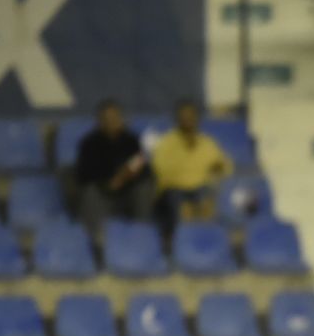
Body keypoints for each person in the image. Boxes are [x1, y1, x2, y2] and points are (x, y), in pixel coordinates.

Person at [151, 100, 233, 236]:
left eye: (191, 116)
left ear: (197, 119)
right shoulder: (167, 142)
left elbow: (226, 166)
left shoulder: (207, 142)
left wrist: (220, 166)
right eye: (183, 116)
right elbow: (159, 168)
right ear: (177, 119)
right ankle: (181, 242)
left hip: (200, 188)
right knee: (178, 202)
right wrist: (185, 170)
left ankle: (207, 240)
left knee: (210, 197)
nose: (187, 119)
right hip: (174, 189)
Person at [73, 100, 153, 235]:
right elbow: (84, 174)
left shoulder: (132, 141)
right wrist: (109, 183)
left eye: (114, 117)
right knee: (90, 192)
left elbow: (142, 167)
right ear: (100, 121)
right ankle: (95, 240)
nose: (111, 122)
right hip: (102, 194)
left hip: (128, 193)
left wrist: (126, 177)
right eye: (106, 118)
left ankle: (141, 234)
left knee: (144, 188)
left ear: (121, 119)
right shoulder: (89, 144)